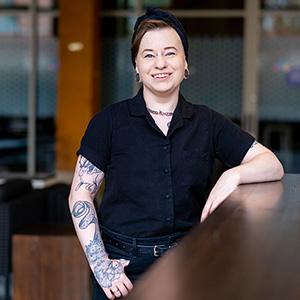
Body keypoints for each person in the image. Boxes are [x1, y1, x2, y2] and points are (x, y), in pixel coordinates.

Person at [68, 8, 284, 300]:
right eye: (148, 55)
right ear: (136, 65)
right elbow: (80, 195)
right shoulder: (108, 122)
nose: (160, 63)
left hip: (188, 260)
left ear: (185, 64)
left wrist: (233, 175)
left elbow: (272, 164)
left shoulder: (207, 122)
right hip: (122, 269)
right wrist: (101, 265)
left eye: (170, 53)